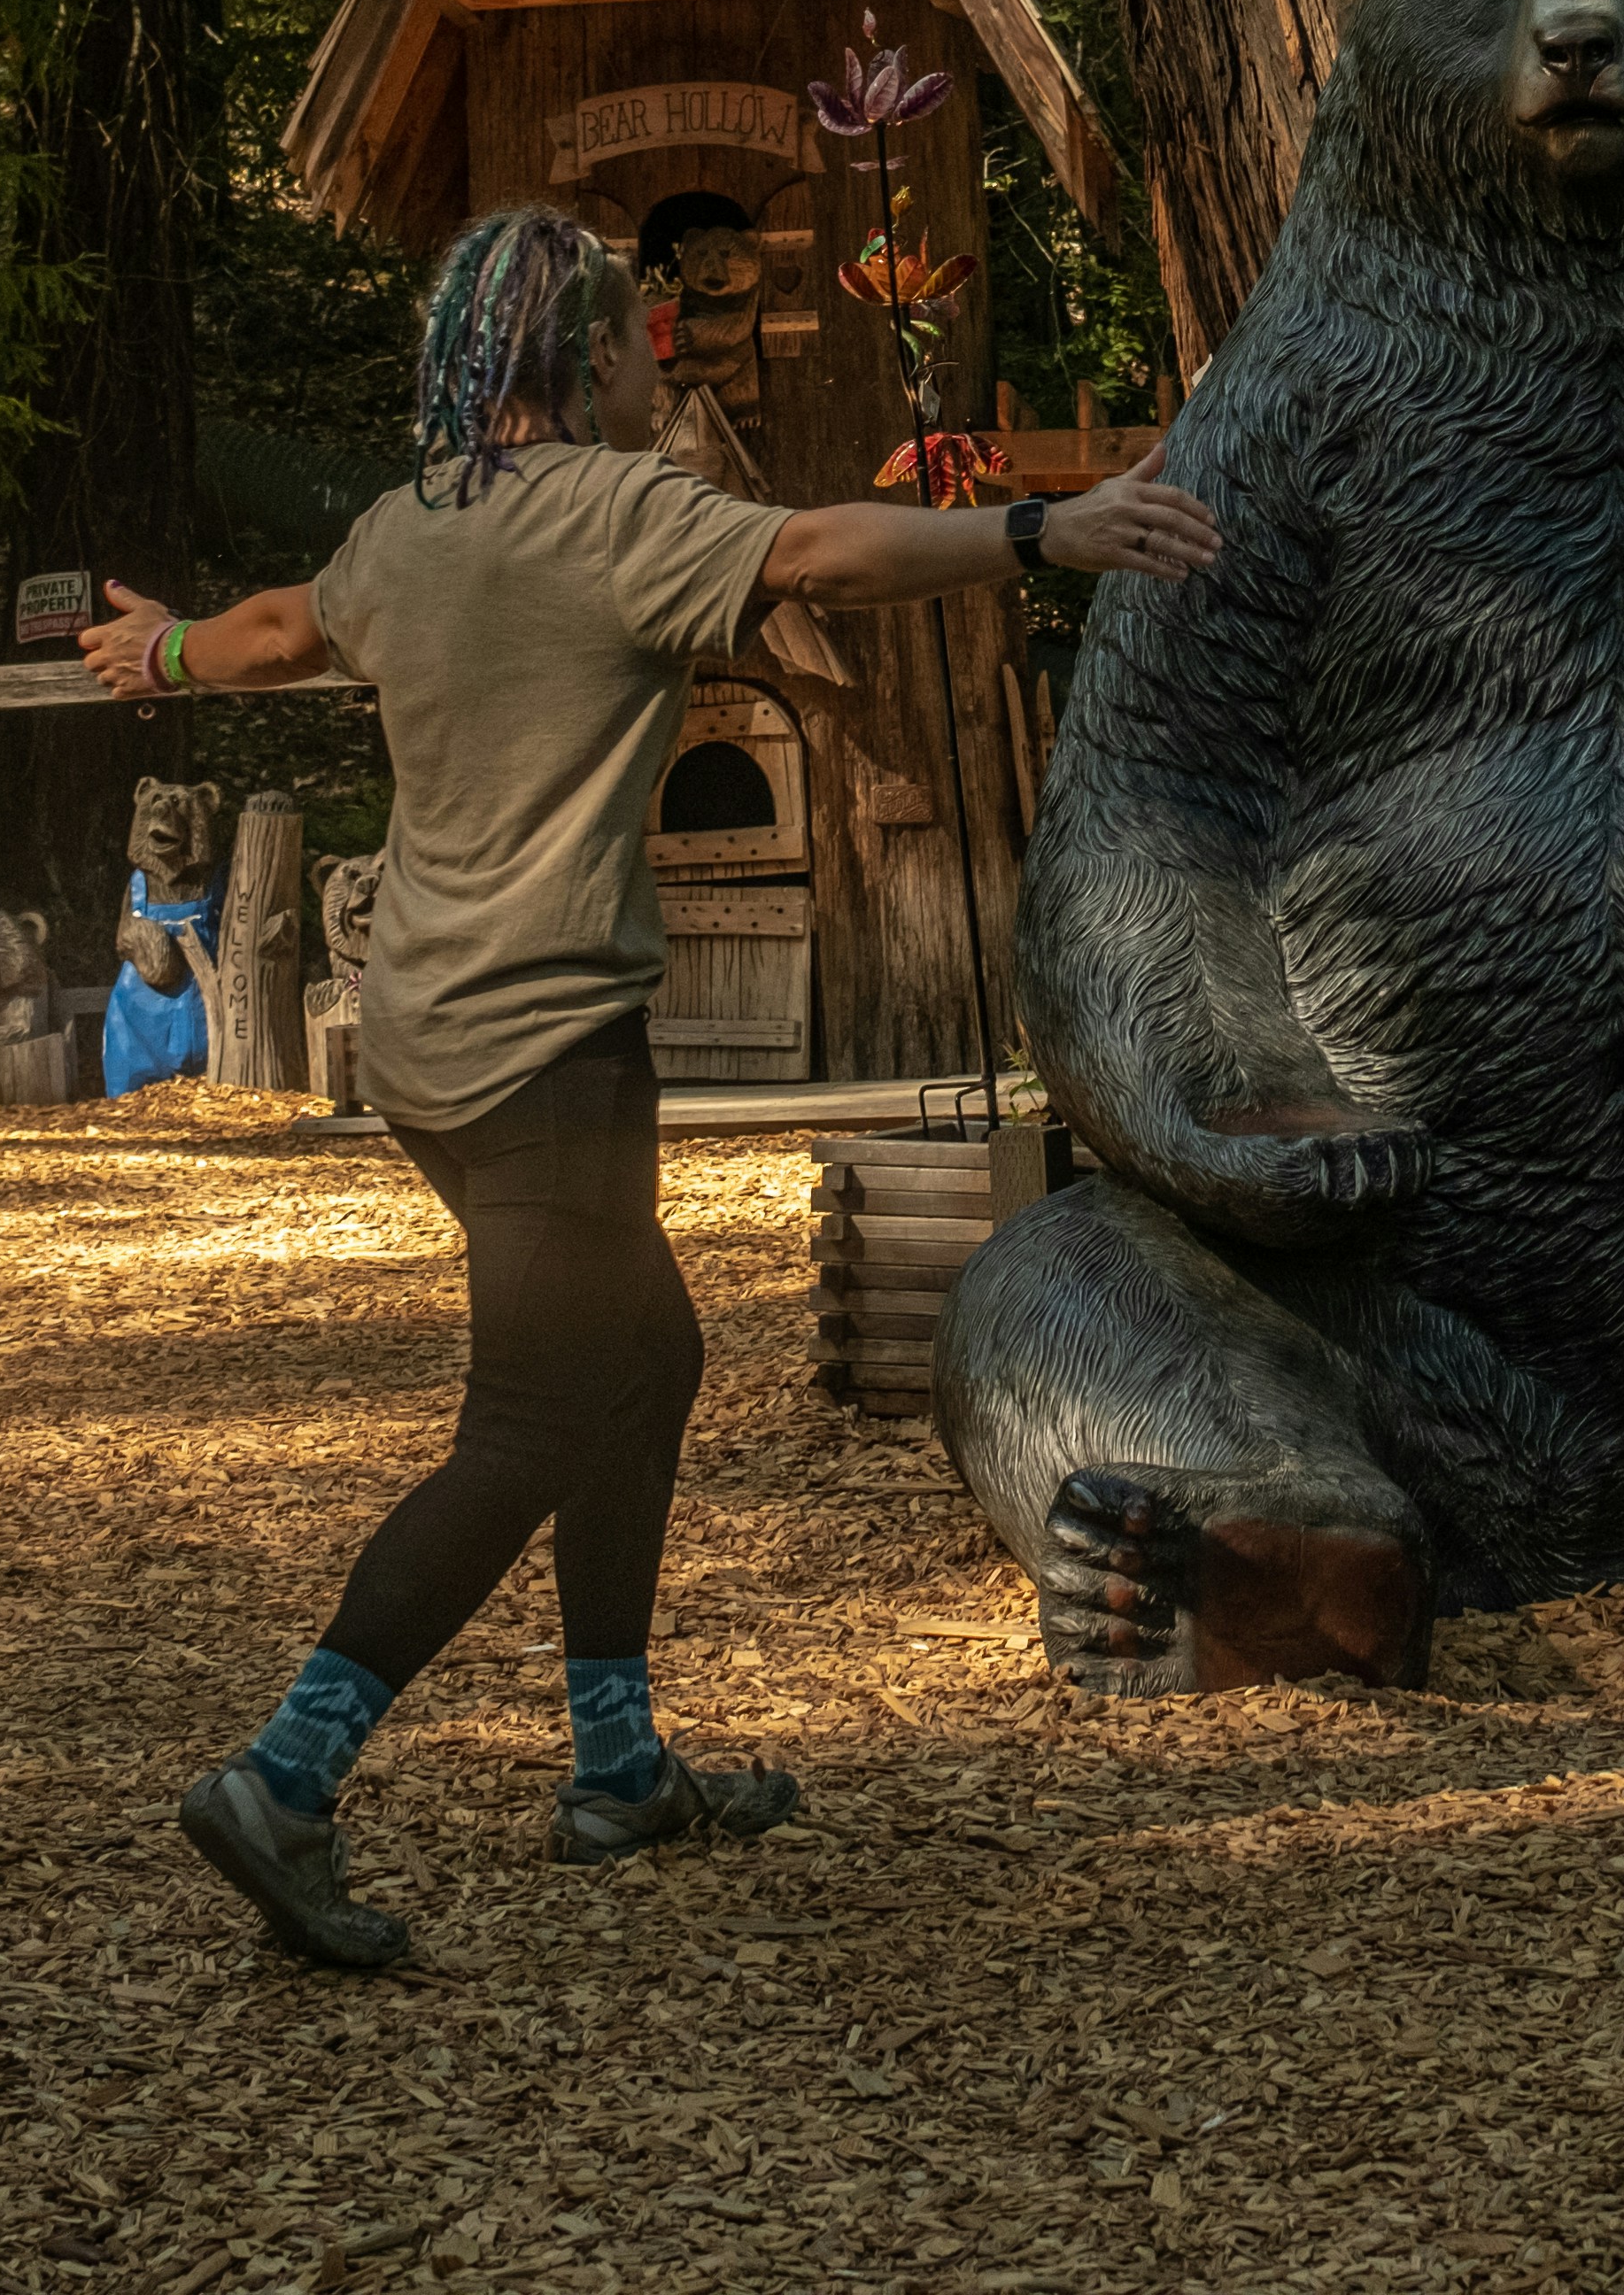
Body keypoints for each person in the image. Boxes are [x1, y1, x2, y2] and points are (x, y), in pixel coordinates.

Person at [85, 200, 1218, 1968]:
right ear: (580, 356)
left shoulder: (409, 527)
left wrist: (153, 650)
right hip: (545, 1050)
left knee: (650, 1358)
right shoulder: (614, 513)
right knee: (539, 1412)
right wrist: (1040, 528)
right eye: (634, 340)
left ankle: (615, 1765)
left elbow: (279, 629)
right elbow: (821, 556)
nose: (653, 359)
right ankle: (286, 1773)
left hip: (435, 1054)